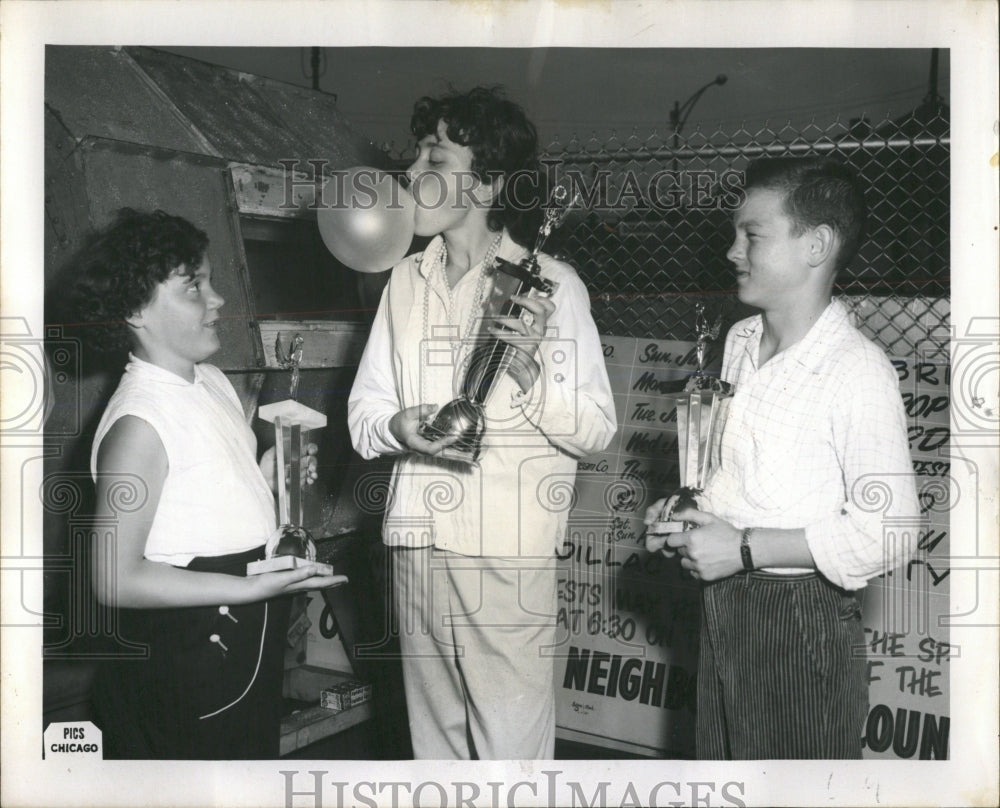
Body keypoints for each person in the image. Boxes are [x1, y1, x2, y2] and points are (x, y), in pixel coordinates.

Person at [348, 86, 616, 759]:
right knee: (434, 749)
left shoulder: (550, 282)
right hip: (414, 541)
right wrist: (397, 429)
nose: (411, 177)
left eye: (434, 163)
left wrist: (533, 388)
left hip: (505, 553)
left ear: (490, 183)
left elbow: (597, 430)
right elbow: (362, 415)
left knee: (509, 759)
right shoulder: (402, 280)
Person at [644, 157, 921, 759]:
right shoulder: (740, 340)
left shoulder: (856, 369)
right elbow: (735, 474)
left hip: (801, 624)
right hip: (723, 608)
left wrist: (742, 547)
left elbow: (892, 532)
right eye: (734, 233)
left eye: (753, 235)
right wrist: (690, 512)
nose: (731, 250)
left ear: (816, 245)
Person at [73, 209, 343, 759]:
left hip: (243, 642)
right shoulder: (137, 426)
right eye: (193, 286)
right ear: (134, 310)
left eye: (212, 280)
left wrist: (265, 479)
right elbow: (112, 579)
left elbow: (204, 495)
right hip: (187, 651)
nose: (217, 300)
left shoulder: (211, 382)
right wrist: (246, 588)